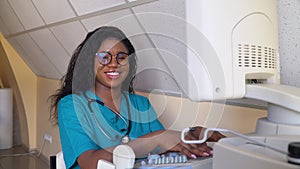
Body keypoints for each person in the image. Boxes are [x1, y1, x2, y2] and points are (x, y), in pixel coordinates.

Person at [49, 26, 224, 169]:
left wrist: (193, 134)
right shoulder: (72, 105)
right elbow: (90, 163)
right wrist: (154, 139)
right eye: (104, 57)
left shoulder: (141, 104)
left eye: (121, 57)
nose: (113, 63)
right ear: (89, 61)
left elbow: (162, 144)